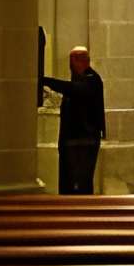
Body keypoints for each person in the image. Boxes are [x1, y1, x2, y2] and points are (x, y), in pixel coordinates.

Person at [41, 45, 105, 194]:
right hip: (71, 143)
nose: (70, 68)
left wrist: (46, 81)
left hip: (83, 143)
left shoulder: (92, 80)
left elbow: (74, 89)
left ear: (81, 61)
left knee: (80, 185)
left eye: (72, 63)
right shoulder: (79, 80)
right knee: (68, 185)